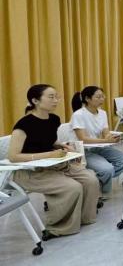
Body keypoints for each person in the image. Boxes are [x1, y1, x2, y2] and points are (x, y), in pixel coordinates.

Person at [8, 84, 100, 240]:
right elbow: (13, 156)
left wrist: (61, 146)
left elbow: (49, 140)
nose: (56, 100)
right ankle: (58, 227)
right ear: (35, 101)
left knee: (90, 180)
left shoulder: (54, 119)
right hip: (31, 171)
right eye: (51, 97)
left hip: (54, 164)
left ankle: (84, 218)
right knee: (72, 187)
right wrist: (50, 154)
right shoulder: (23, 125)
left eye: (57, 97)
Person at [70, 86, 123, 200]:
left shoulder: (102, 113)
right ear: (87, 99)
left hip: (99, 147)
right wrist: (106, 140)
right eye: (98, 97)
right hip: (84, 150)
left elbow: (105, 132)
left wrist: (111, 137)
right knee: (107, 169)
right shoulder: (78, 115)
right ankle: (103, 191)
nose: (102, 99)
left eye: (103, 96)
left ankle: (98, 182)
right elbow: (83, 139)